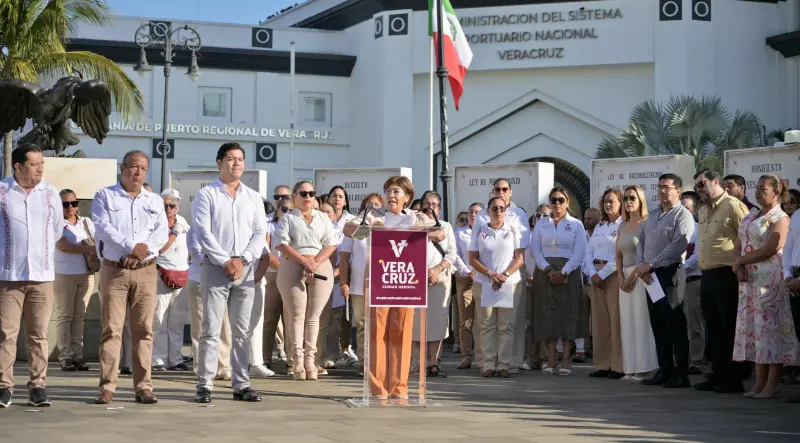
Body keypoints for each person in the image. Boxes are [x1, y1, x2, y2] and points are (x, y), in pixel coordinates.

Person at [342, 176, 445, 399]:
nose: (391, 195)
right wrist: (368, 226)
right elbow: (348, 228)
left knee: (402, 331)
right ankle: (378, 388)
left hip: (406, 278)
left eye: (396, 191)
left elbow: (440, 233)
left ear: (407, 197)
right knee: (378, 332)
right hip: (380, 278)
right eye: (388, 191)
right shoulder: (375, 213)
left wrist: (423, 230)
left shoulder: (415, 216)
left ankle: (399, 387)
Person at [92, 150, 168, 405]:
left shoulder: (155, 200)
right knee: (111, 329)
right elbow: (103, 227)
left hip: (145, 270)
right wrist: (130, 246)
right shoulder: (105, 195)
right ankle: (107, 387)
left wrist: (141, 253)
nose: (138, 172)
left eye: (143, 168)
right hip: (114, 270)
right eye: (133, 166)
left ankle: (144, 387)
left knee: (144, 330)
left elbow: (161, 233)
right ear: (122, 167)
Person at [193, 142, 267, 403]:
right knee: (211, 329)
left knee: (241, 331)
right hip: (215, 268)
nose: (236, 163)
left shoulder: (253, 197)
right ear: (219, 163)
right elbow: (203, 232)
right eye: (231, 159)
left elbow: (260, 233)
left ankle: (242, 384)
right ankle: (205, 383)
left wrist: (243, 259)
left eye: (240, 159)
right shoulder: (207, 195)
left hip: (245, 271)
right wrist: (226, 261)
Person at [0, 144, 63, 408]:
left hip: (41, 276)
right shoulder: (2, 191)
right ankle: (4, 386)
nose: (40, 168)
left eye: (41, 163)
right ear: (18, 167)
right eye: (35, 164)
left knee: (38, 334)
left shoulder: (50, 193)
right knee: (6, 333)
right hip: (8, 276)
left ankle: (38, 386)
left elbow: (57, 230)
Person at [734, 175, 798, 399]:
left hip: (769, 278)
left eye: (764, 189)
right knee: (754, 329)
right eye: (757, 188)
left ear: (776, 193)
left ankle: (772, 382)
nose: (758, 192)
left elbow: (772, 247)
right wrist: (738, 263)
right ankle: (758, 382)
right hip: (749, 278)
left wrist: (743, 261)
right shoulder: (752, 215)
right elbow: (739, 242)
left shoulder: (780, 217)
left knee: (770, 329)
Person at [634, 173, 694, 389]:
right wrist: (642, 265)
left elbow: (679, 245)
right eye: (659, 187)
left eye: (666, 187)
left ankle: (681, 374)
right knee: (658, 323)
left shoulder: (682, 215)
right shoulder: (653, 215)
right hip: (650, 275)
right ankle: (665, 369)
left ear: (678, 190)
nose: (661, 191)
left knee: (674, 324)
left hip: (669, 273)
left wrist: (652, 263)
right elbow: (641, 241)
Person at [692, 169, 749, 394]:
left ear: (717, 182)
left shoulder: (733, 205)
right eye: (697, 186)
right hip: (707, 274)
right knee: (713, 328)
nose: (699, 189)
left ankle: (733, 377)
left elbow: (747, 237)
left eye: (703, 184)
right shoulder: (704, 209)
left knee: (729, 328)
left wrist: (741, 265)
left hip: (727, 273)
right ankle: (717, 373)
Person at [275, 181, 338, 381]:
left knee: (314, 317)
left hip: (320, 265)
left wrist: (315, 262)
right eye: (303, 193)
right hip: (293, 264)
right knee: (296, 316)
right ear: (295, 195)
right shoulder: (288, 218)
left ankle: (311, 360)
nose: (308, 197)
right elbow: (281, 243)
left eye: (311, 193)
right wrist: (303, 261)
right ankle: (297, 361)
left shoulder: (322, 218)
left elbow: (331, 242)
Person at [530, 187, 587, 376]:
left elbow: (580, 252)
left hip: (568, 272)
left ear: (567, 202)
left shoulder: (576, 224)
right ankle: (551, 359)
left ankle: (566, 360)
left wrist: (564, 272)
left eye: (561, 200)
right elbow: (535, 249)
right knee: (548, 315)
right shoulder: (541, 224)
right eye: (553, 200)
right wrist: (547, 269)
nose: (557, 204)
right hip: (545, 272)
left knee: (568, 314)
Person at [469, 196, 525, 378]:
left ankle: (504, 365)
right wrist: (491, 274)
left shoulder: (513, 230)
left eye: (502, 208)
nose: (498, 212)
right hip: (484, 283)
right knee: (486, 325)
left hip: (508, 284)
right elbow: (473, 258)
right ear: (488, 211)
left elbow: (519, 258)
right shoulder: (480, 231)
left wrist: (504, 275)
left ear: (506, 211)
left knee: (506, 326)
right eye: (494, 209)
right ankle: (488, 364)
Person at [616, 186, 658, 382]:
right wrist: (620, 276)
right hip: (623, 277)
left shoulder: (647, 223)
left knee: (642, 322)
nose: (628, 201)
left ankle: (645, 368)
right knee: (627, 323)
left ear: (641, 200)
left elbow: (648, 254)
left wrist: (632, 276)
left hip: (641, 276)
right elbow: (618, 254)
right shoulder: (622, 225)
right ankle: (630, 368)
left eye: (632, 197)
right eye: (625, 198)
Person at [340, 192, 384, 377]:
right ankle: (364, 362)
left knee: (380, 324)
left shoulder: (386, 225)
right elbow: (344, 257)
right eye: (369, 204)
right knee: (362, 324)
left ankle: (379, 362)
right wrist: (344, 282)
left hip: (383, 285)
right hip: (359, 285)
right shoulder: (354, 227)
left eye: (376, 204)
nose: (372, 207)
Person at [54, 188, 98, 372]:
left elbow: (96, 243)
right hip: (64, 273)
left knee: (79, 316)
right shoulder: (56, 223)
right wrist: (84, 247)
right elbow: (63, 245)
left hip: (86, 273)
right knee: (65, 315)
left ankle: (78, 355)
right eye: (65, 204)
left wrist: (86, 247)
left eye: (73, 203)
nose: (70, 207)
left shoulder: (86, 222)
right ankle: (65, 356)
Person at [414, 191, 457, 378]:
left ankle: (433, 363)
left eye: (434, 204)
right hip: (414, 279)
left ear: (439, 208)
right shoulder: (413, 225)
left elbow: (451, 254)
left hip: (439, 279)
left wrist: (436, 270)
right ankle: (418, 363)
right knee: (416, 323)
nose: (430, 207)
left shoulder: (446, 227)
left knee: (437, 323)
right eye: (427, 203)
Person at [584, 189, 624, 379]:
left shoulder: (622, 224)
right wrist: (593, 273)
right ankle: (602, 364)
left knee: (615, 321)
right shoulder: (600, 226)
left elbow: (620, 255)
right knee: (599, 322)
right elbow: (588, 252)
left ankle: (617, 365)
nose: (608, 205)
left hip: (613, 276)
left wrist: (604, 273)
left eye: (612, 201)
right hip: (596, 276)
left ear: (620, 202)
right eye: (605, 201)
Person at [186, 227, 232, 380]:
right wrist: (222, 261)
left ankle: (223, 366)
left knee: (225, 326)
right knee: (200, 325)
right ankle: (202, 367)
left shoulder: (223, 227)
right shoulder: (195, 229)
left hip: (222, 280)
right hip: (199, 279)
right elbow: (196, 252)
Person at [152, 189, 190, 371]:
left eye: (172, 205)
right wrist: (174, 232)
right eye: (165, 205)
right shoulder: (155, 223)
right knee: (159, 318)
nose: (168, 208)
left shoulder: (183, 221)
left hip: (182, 274)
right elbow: (160, 248)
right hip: (161, 273)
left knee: (177, 321)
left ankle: (175, 359)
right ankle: (159, 360)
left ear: (178, 206)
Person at [255, 194, 293, 372]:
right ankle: (265, 358)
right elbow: (266, 250)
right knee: (270, 319)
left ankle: (292, 359)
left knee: (290, 319)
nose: (287, 212)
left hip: (291, 276)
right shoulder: (269, 223)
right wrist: (281, 268)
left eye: (290, 209)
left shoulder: (296, 224)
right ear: (277, 208)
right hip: (272, 275)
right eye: (284, 208)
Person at [453, 203, 484, 370]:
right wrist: (466, 270)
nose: (473, 214)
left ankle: (481, 357)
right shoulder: (460, 232)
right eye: (471, 211)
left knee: (482, 319)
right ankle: (466, 356)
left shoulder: (486, 231)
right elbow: (455, 254)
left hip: (483, 278)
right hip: (465, 278)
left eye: (477, 212)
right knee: (465, 319)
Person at [680, 190, 705, 375]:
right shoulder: (673, 229)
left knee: (694, 323)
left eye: (687, 208)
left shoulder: (699, 230)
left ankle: (696, 360)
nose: (683, 212)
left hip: (691, 281)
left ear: (695, 211)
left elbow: (697, 257)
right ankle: (679, 359)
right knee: (676, 322)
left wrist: (678, 269)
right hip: (674, 284)